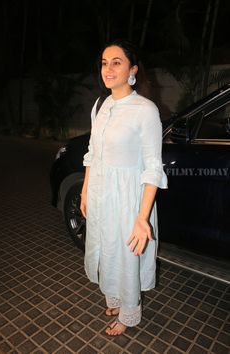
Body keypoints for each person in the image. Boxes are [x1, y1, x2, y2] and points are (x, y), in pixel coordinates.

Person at [80, 39, 168, 336]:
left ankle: (129, 315)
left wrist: (142, 218)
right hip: (101, 195)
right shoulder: (100, 105)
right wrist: (84, 191)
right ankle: (115, 300)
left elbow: (153, 166)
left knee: (126, 257)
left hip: (129, 200)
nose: (108, 68)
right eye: (104, 62)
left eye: (116, 62)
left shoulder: (145, 110)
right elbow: (92, 152)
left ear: (132, 69)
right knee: (108, 251)